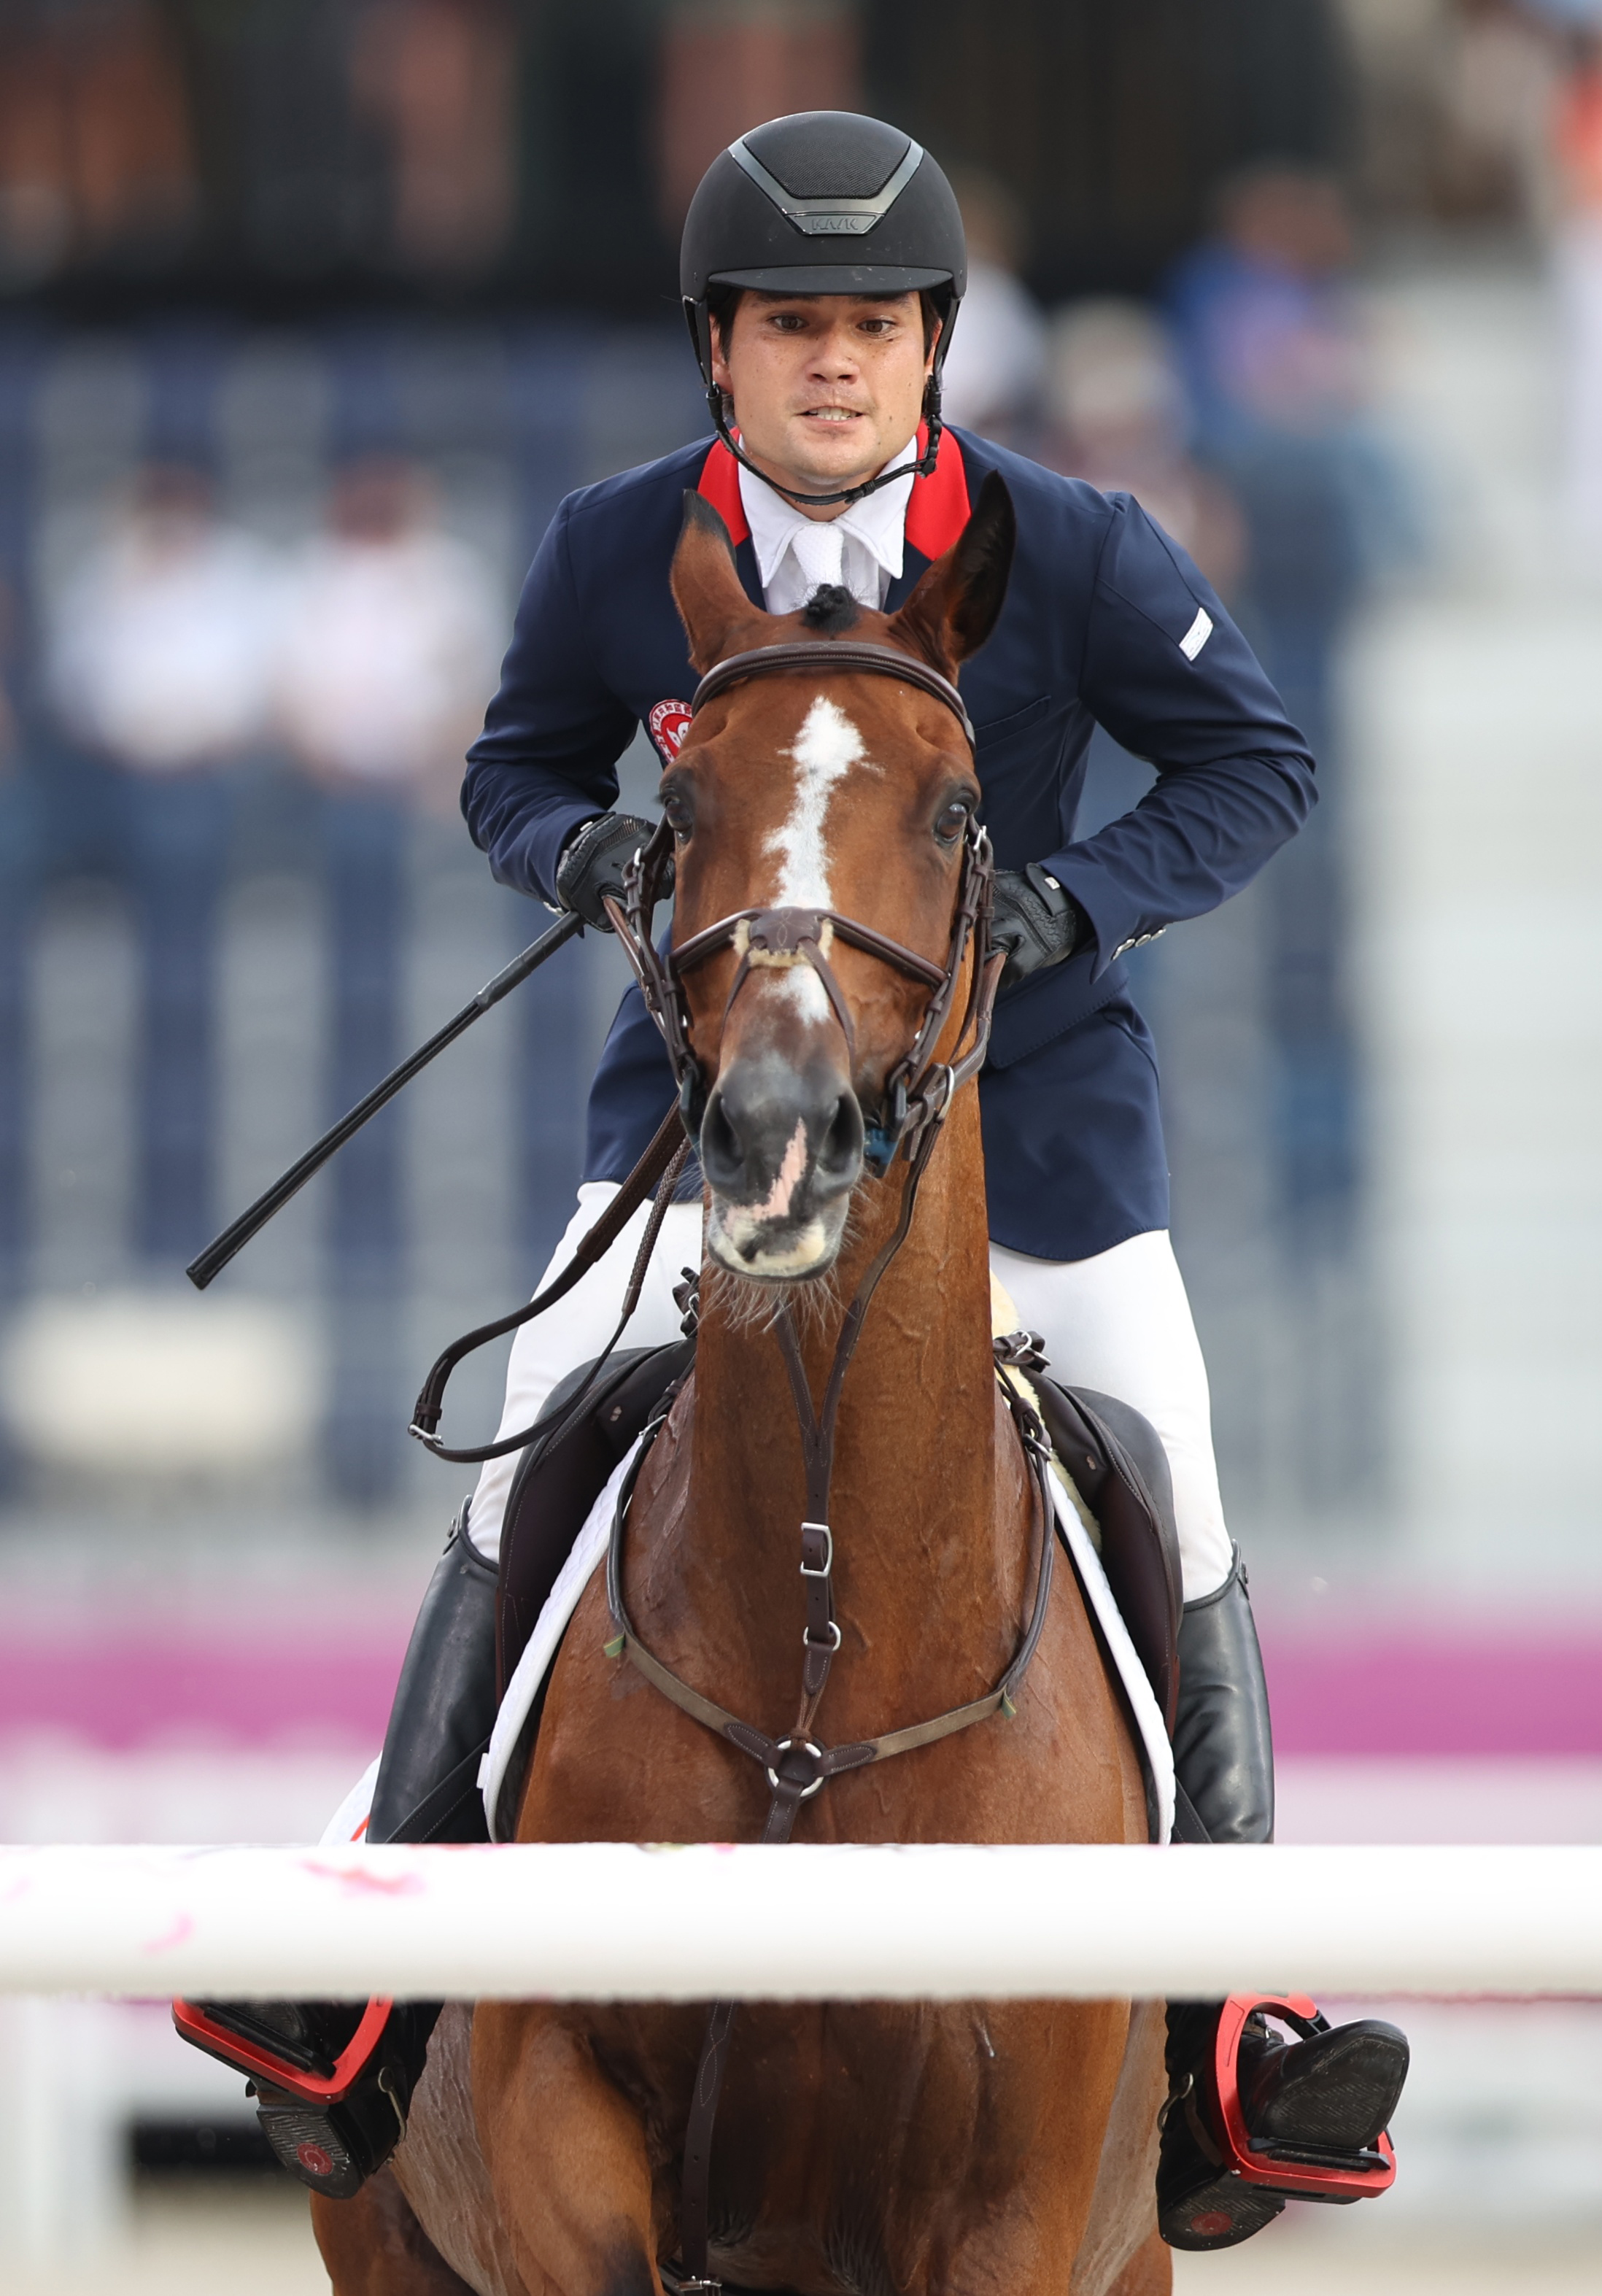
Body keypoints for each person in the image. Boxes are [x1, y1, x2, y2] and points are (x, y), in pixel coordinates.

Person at [182, 112, 1409, 2246]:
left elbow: (1258, 762)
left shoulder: (1072, 544)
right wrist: (575, 850)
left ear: (931, 347)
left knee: (1177, 1482)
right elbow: (509, 766)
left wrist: (1073, 902)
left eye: (871, 325)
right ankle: (378, 1936)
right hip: (708, 1121)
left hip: (1029, 1132)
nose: (832, 360)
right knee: (533, 1444)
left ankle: (1234, 2015)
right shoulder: (611, 547)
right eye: (787, 326)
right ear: (719, 351)